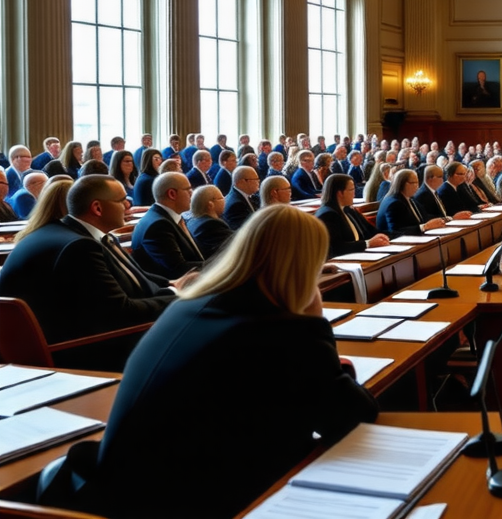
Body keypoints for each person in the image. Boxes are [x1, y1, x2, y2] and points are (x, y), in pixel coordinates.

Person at [62, 205, 380, 519]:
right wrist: (314, 320)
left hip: (123, 486)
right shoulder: (282, 329)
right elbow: (352, 415)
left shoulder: (191, 303)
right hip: (189, 500)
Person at [0, 176, 177, 368]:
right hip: (80, 352)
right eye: (121, 200)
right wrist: (179, 297)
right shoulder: (79, 247)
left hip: (79, 339)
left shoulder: (65, 232)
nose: (128, 205)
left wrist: (171, 286)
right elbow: (120, 313)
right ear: (97, 208)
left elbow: (133, 283)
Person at [131, 173, 208, 279]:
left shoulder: (169, 217)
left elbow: (196, 254)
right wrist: (220, 265)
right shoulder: (158, 226)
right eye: (188, 190)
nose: (192, 194)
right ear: (172, 194)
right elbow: (179, 269)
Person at [316, 174, 390, 258]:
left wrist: (388, 237)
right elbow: (336, 248)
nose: (354, 194)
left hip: (360, 255)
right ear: (340, 193)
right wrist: (368, 243)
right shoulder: (327, 214)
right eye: (351, 190)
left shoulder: (349, 209)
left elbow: (371, 231)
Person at [376, 169, 447, 237]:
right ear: (402, 183)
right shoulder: (393, 203)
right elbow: (396, 232)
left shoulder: (410, 198)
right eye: (414, 183)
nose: (417, 186)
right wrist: (424, 227)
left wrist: (443, 220)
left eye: (417, 182)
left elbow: (423, 217)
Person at [187, 186, 235, 259]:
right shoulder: (210, 224)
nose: (225, 199)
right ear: (210, 204)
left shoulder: (192, 221)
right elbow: (234, 246)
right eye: (221, 198)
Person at [223, 166, 261, 230]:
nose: (258, 182)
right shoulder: (236, 205)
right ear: (241, 182)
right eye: (255, 179)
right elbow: (244, 230)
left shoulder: (249, 195)